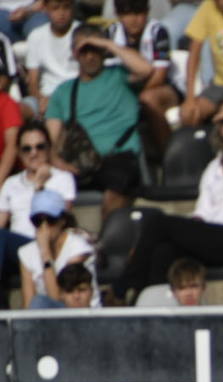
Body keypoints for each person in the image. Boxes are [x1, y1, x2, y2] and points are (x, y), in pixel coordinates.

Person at [115, 103, 223, 302]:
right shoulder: (214, 167)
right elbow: (202, 211)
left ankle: (120, 290)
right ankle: (148, 308)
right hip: (215, 234)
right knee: (163, 252)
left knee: (158, 222)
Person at [47, 26, 149, 219]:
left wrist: (105, 43)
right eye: (84, 51)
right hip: (80, 163)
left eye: (94, 50)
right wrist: (57, 162)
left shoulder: (120, 76)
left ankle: (106, 243)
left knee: (114, 192)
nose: (90, 57)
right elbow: (50, 139)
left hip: (119, 157)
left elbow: (146, 69)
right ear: (74, 54)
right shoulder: (63, 91)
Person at [0, 122, 75, 291]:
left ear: (49, 149)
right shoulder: (11, 183)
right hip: (15, 248)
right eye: (27, 149)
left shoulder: (63, 179)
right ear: (19, 153)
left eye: (39, 147)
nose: (33, 153)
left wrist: (39, 185)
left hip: (47, 242)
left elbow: (62, 220)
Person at [107, 0, 183, 154]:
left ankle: (167, 153)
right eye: (127, 14)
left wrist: (133, 98)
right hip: (125, 89)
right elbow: (109, 74)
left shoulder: (158, 31)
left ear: (147, 12)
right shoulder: (111, 33)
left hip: (163, 89)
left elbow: (160, 75)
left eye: (139, 13)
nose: (134, 19)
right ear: (118, 15)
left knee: (148, 99)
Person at [18, 188, 98, 308]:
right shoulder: (26, 253)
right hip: (46, 317)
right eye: (38, 221)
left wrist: (45, 251)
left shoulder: (78, 248)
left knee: (39, 302)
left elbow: (59, 297)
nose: (44, 227)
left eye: (50, 220)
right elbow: (28, 303)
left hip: (80, 312)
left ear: (62, 221)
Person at [23, 0, 79, 118]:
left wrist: (55, 101)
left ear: (73, 8)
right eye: (55, 8)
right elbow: (33, 80)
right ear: (45, 9)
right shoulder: (36, 35)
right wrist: (39, 100)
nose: (61, 13)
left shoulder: (81, 33)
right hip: (45, 95)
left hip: (77, 93)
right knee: (21, 109)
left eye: (66, 7)